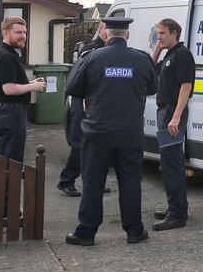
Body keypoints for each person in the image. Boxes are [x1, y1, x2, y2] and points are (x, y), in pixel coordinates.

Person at [65, 17, 157, 246]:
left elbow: (73, 89)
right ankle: (134, 231)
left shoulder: (91, 58)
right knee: (131, 182)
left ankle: (86, 232)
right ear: (127, 34)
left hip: (97, 133)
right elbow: (153, 88)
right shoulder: (142, 59)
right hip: (130, 133)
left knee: (93, 183)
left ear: (106, 33)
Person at [150, 18, 195, 231]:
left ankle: (177, 214)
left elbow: (186, 86)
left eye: (162, 33)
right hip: (165, 111)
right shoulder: (170, 54)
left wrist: (176, 116)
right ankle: (176, 207)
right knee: (169, 161)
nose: (159, 36)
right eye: (158, 33)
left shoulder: (183, 55)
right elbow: (151, 70)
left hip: (171, 112)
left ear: (174, 33)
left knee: (171, 162)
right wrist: (157, 49)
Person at [57, 22, 106, 197]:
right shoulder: (90, 49)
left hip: (95, 103)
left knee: (96, 145)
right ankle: (66, 181)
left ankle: (93, 182)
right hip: (82, 102)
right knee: (79, 144)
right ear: (101, 30)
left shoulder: (103, 49)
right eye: (107, 29)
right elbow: (84, 78)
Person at [0, 16, 46, 163]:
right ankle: (8, 187)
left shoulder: (7, 54)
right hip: (10, 114)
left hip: (8, 113)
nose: (23, 36)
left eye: (24, 32)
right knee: (10, 160)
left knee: (6, 158)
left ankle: (6, 186)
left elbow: (12, 83)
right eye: (18, 32)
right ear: (5, 33)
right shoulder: (6, 57)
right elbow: (8, 89)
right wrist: (32, 86)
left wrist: (30, 83)